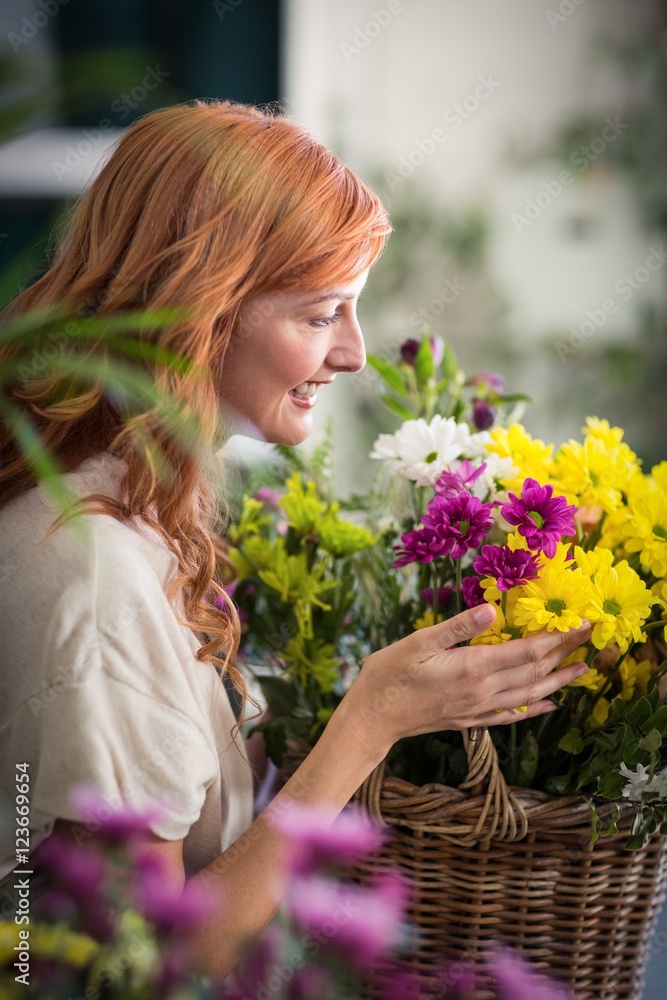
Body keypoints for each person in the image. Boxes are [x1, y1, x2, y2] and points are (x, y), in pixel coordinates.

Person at [0, 99, 591, 981]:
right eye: (320, 316)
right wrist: (373, 721)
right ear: (195, 312)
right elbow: (151, 967)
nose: (354, 354)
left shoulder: (127, 494)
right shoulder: (98, 577)